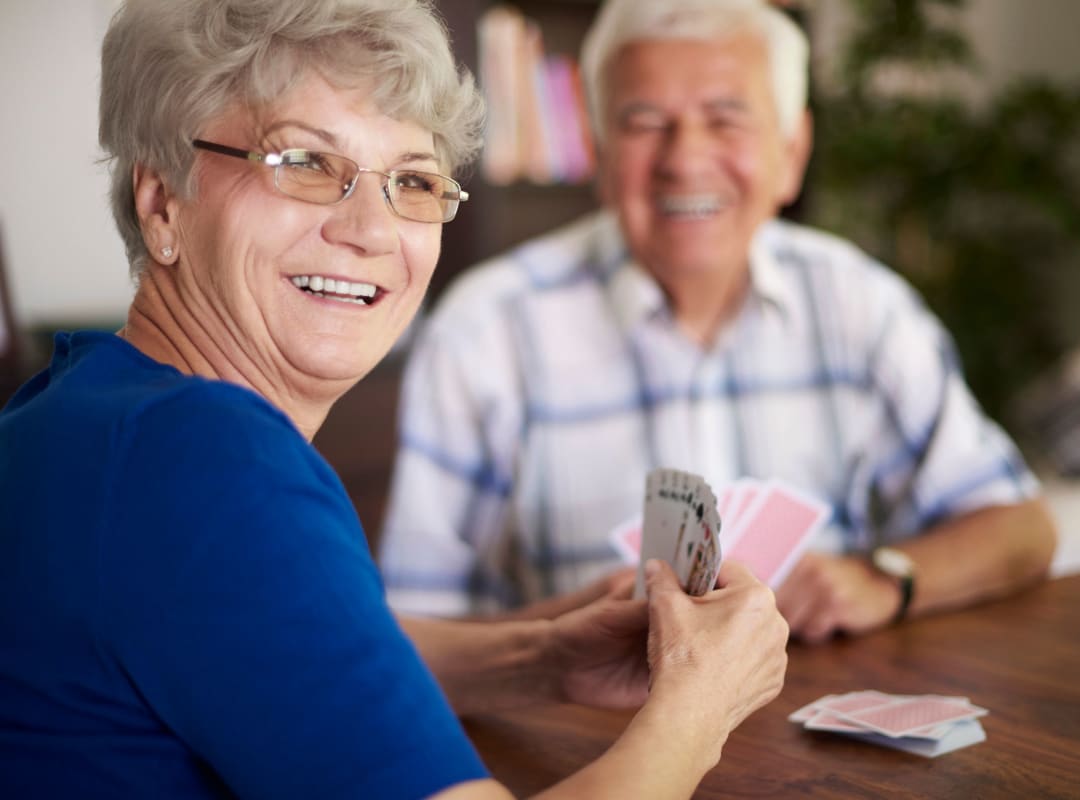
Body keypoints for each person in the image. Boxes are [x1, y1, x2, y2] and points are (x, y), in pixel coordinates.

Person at [0, 1, 790, 797]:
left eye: (413, 180)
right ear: (161, 200)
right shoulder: (207, 460)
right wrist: (701, 700)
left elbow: (266, 651)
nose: (372, 230)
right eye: (304, 162)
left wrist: (537, 659)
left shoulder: (88, 410)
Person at [378, 0, 1058, 641]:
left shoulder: (862, 304)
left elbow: (1022, 528)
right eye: (645, 122)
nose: (686, 160)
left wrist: (884, 580)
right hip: (584, 750)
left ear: (792, 154)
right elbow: (407, 637)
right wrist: (564, 637)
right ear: (602, 157)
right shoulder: (484, 330)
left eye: (727, 118)